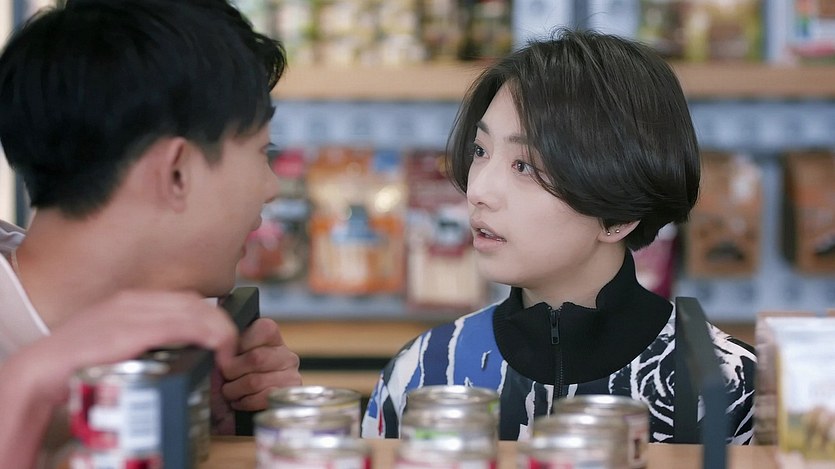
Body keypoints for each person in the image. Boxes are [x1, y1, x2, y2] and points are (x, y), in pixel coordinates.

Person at [361, 29, 756, 444]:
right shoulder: (423, 372)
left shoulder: (731, 388)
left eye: (525, 166)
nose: (478, 190)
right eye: (480, 151)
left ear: (619, 214)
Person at [0, 0, 302, 466]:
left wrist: (215, 433)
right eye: (264, 152)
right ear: (176, 172)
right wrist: (26, 390)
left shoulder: (186, 341)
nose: (271, 188)